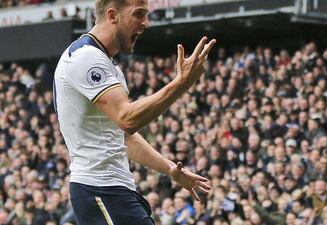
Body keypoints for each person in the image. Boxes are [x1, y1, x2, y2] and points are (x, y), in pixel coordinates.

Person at [53, 0, 216, 224]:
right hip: (100, 189)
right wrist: (181, 83)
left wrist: (170, 169)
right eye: (139, 14)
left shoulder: (108, 65)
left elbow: (124, 136)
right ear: (112, 16)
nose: (146, 23)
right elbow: (128, 119)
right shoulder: (86, 57)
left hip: (113, 190)